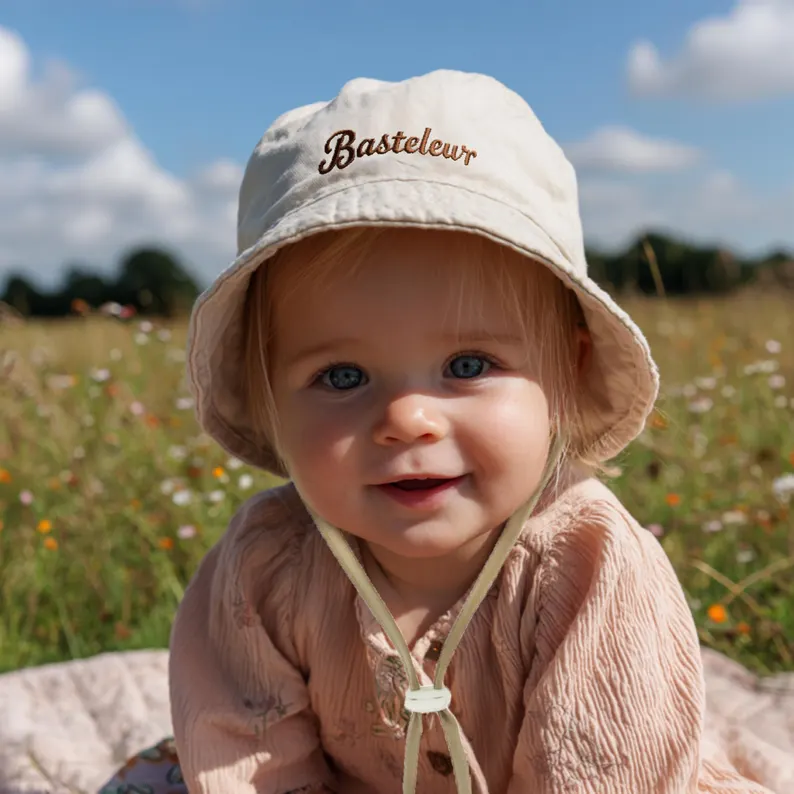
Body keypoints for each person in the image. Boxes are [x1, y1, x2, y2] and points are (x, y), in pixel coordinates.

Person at [100, 70, 773, 794]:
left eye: (468, 364)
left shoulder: (588, 561)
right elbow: (245, 747)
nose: (406, 421)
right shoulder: (265, 566)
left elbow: (604, 769)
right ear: (268, 396)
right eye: (341, 377)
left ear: (567, 377)